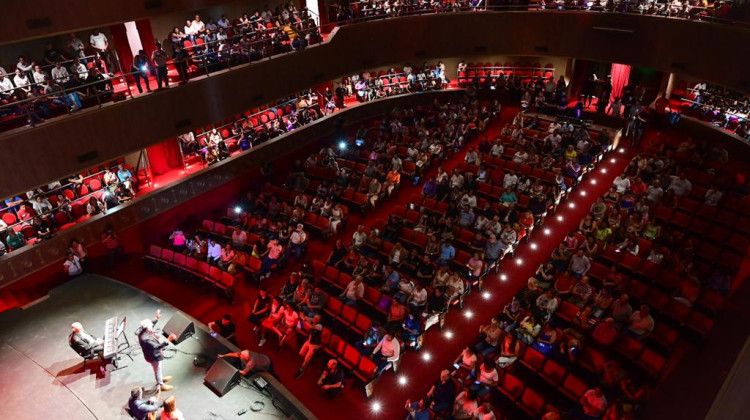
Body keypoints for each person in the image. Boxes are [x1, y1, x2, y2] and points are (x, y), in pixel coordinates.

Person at [137, 310, 177, 391]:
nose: (152, 327)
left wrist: (156, 318)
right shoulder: (145, 339)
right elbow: (157, 347)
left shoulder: (144, 330)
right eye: (150, 327)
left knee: (158, 369)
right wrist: (168, 340)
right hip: (153, 356)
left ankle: (161, 378)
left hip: (153, 354)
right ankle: (161, 384)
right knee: (157, 369)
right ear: (147, 329)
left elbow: (150, 324)